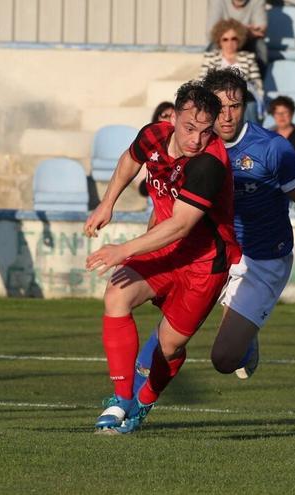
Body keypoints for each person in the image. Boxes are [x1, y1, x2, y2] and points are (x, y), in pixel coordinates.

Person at [134, 68, 295, 391]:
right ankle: (127, 407)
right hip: (213, 253)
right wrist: (151, 251)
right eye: (220, 107)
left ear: (245, 106)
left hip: (261, 260)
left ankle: (245, 337)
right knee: (152, 352)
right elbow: (167, 203)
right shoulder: (194, 145)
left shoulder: (272, 149)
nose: (227, 116)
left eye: (235, 106)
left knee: (224, 360)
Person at [84, 81, 237, 434]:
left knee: (168, 348)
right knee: (117, 295)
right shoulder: (154, 135)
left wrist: (123, 249)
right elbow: (129, 160)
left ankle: (143, 402)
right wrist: (108, 203)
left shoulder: (210, 164)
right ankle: (122, 399)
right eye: (188, 128)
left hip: (205, 262)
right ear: (175, 115)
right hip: (165, 250)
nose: (196, 139)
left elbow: (181, 226)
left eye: (204, 131)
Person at [200, 18, 263, 122]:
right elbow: (202, 81)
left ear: (239, 39)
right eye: (225, 39)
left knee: (250, 103)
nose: (230, 42)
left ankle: (252, 135)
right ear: (219, 41)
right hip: (217, 97)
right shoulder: (211, 57)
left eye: (234, 38)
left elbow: (257, 84)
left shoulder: (248, 57)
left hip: (243, 96)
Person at [205, 0, 268, 70]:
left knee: (260, 45)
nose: (230, 43)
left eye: (234, 39)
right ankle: (210, 76)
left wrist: (228, 29)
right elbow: (211, 33)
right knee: (212, 47)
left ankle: (263, 76)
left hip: (248, 41)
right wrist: (244, 30)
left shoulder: (258, 1)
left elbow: (260, 31)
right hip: (224, 42)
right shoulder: (217, 2)